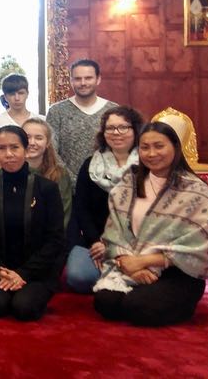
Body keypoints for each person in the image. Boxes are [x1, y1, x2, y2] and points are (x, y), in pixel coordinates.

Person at [93, 122, 208, 326]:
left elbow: (201, 243)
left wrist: (145, 261)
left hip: (178, 270)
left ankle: (182, 303)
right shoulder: (128, 184)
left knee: (138, 306)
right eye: (145, 147)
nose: (151, 153)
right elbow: (114, 231)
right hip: (131, 263)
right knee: (105, 302)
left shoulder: (194, 190)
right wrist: (130, 265)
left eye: (159, 146)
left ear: (175, 147)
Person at [0, 126, 65, 321]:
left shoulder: (47, 189)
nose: (9, 154)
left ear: (26, 150)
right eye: (2, 148)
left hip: (37, 271)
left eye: (14, 147)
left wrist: (24, 273)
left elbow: (55, 239)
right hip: (0, 271)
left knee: (24, 308)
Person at [66, 106, 142, 293]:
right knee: (79, 276)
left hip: (137, 242)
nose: (116, 133)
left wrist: (114, 246)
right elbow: (81, 208)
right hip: (96, 241)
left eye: (123, 127)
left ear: (135, 130)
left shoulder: (146, 166)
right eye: (110, 128)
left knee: (149, 271)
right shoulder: (91, 165)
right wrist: (96, 242)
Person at [46, 60, 118, 180]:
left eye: (88, 78)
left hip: (107, 182)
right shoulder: (57, 111)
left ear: (98, 79)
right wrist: (72, 180)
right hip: (66, 184)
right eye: (77, 79)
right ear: (71, 81)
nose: (83, 83)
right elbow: (51, 151)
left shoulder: (113, 110)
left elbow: (121, 149)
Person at [23, 118, 73, 231]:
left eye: (39, 138)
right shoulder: (8, 173)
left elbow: (63, 216)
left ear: (48, 143)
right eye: (27, 137)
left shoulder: (60, 175)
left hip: (50, 238)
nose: (32, 142)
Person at [0, 74, 43, 147]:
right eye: (12, 94)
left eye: (21, 93)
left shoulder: (41, 120)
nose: (17, 98)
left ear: (27, 94)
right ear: (5, 97)